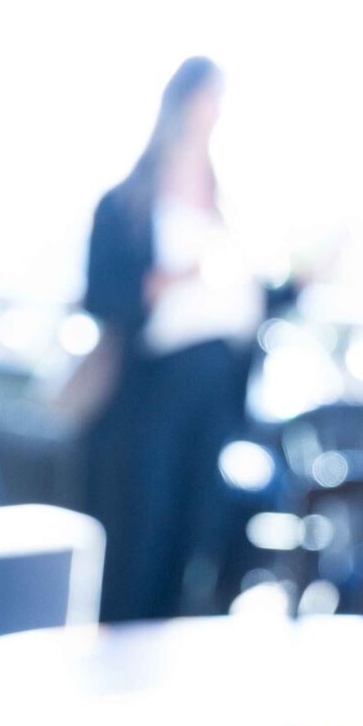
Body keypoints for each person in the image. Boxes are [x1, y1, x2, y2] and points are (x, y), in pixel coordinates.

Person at [78, 57, 284, 623]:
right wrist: (166, 282)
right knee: (140, 537)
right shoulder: (127, 203)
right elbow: (101, 295)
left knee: (195, 538)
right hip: (151, 393)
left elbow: (251, 298)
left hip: (216, 393)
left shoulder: (228, 206)